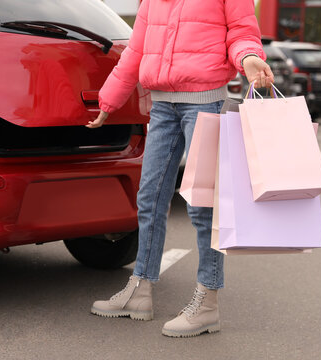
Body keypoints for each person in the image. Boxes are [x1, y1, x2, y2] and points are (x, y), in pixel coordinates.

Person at [86, 0, 274, 338]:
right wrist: (108, 102)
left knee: (204, 205)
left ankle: (207, 304)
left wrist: (248, 58)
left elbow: (242, 33)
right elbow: (136, 51)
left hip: (207, 103)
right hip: (162, 107)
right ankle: (140, 291)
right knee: (150, 198)